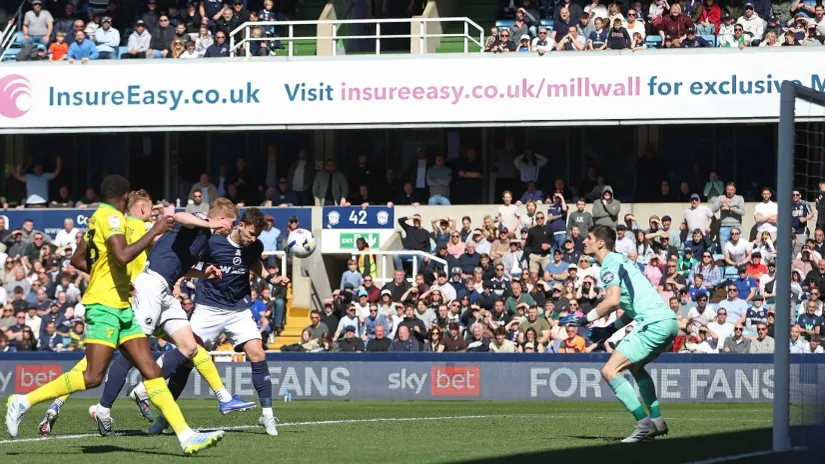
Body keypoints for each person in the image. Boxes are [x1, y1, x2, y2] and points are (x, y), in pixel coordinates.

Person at [5, 175, 226, 455]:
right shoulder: (112, 219)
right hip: (104, 305)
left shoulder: (96, 218)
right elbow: (122, 256)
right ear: (123, 198)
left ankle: (186, 436)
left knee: (151, 370)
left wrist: (107, 275)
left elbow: (77, 259)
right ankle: (23, 401)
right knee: (93, 375)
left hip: (121, 303)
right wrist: (154, 229)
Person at [131, 208, 289, 437]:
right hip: (208, 308)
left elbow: (253, 263)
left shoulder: (254, 246)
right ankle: (164, 418)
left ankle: (267, 415)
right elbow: (186, 263)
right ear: (241, 225)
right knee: (187, 358)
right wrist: (180, 281)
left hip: (238, 310)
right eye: (252, 233)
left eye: (257, 236)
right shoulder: (212, 243)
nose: (254, 239)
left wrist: (272, 279)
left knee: (258, 353)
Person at [561, 225, 677, 442]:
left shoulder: (608, 265)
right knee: (635, 367)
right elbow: (632, 309)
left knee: (610, 371)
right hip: (667, 321)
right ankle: (658, 421)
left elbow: (613, 300)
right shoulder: (623, 262)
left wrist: (583, 319)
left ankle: (644, 425)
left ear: (600, 243)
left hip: (653, 322)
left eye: (589, 238)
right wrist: (608, 329)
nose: (584, 242)